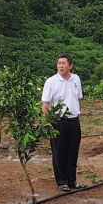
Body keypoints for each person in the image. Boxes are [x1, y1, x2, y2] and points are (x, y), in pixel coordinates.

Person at [42, 54, 84, 192]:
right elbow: (45, 104)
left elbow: (78, 99)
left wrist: (77, 113)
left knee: (73, 151)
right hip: (58, 122)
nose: (60, 66)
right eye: (59, 63)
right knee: (59, 152)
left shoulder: (76, 79)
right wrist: (48, 122)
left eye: (63, 63)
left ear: (70, 66)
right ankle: (62, 181)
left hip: (73, 121)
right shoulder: (51, 81)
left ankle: (72, 181)